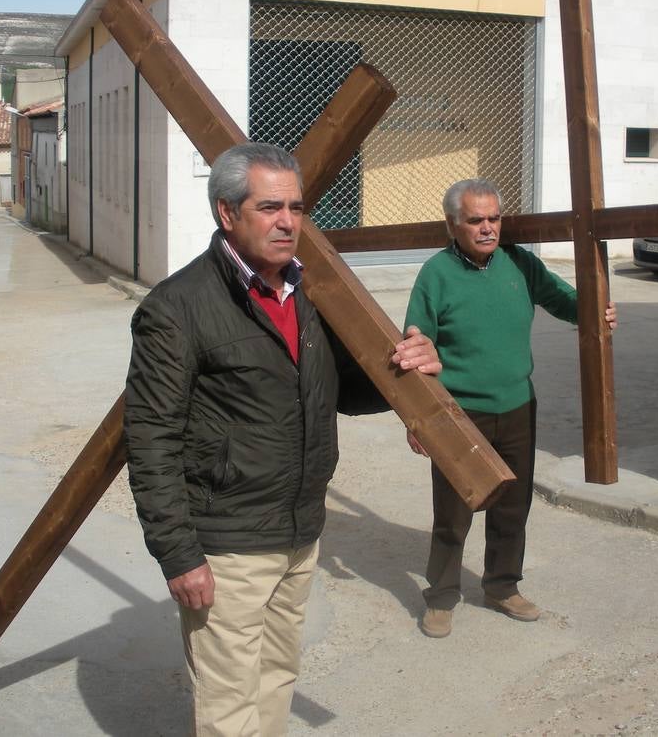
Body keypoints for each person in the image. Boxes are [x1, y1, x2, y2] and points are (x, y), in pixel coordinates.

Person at [123, 142, 441, 735]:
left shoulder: (309, 294)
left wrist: (405, 368)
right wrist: (179, 554)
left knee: (276, 678)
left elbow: (344, 389)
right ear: (226, 213)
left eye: (296, 207)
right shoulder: (176, 309)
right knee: (229, 705)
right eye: (270, 207)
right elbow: (151, 441)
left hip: (299, 532)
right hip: (228, 544)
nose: (288, 222)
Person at [404, 178, 616, 639]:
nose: (487, 228)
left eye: (494, 218)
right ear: (452, 224)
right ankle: (440, 597)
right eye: (475, 220)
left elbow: (564, 301)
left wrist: (595, 310)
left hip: (518, 405)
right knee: (454, 511)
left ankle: (502, 586)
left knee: (513, 507)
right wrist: (417, 417)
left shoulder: (520, 263)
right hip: (459, 415)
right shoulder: (436, 274)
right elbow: (415, 348)